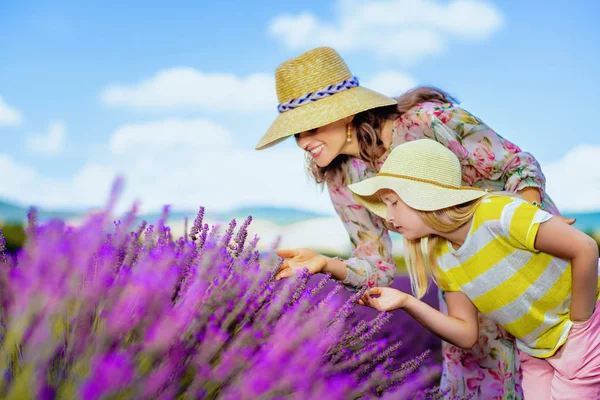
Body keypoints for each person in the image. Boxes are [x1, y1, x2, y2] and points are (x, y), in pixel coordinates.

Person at [255, 46, 575, 398]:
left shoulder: (429, 122)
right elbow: (376, 266)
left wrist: (526, 228)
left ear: (345, 113)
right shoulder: (341, 178)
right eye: (296, 133)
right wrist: (326, 264)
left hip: (532, 267)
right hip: (462, 286)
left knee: (571, 372)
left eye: (310, 126)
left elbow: (517, 166)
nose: (302, 142)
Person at [350, 139, 600, 399]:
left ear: (424, 195)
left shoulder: (496, 214)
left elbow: (584, 248)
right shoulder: (442, 255)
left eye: (394, 203)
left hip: (585, 331)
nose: (388, 218)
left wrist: (581, 328)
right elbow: (466, 333)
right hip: (537, 351)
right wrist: (407, 302)